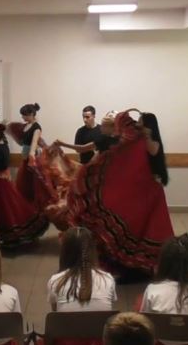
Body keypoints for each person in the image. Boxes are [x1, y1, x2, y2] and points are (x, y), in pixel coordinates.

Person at [66, 109, 174, 277]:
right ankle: (134, 262)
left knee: (149, 226)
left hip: (151, 191)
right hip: (142, 189)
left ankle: (147, 263)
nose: (138, 124)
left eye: (141, 122)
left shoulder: (147, 141)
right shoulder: (125, 139)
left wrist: (141, 134)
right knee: (136, 224)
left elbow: (150, 151)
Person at [47, 227, 116, 312]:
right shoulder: (107, 279)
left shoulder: (55, 281)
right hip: (100, 321)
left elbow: (56, 314)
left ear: (64, 251)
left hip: (67, 321)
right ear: (92, 250)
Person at [55, 111, 119, 161]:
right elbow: (83, 150)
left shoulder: (110, 139)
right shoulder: (104, 138)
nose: (101, 128)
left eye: (103, 126)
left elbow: (83, 148)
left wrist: (62, 144)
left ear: (111, 127)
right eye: (83, 117)